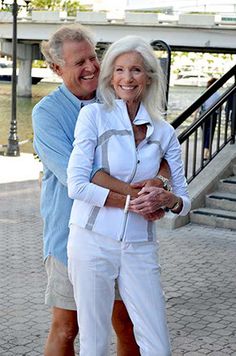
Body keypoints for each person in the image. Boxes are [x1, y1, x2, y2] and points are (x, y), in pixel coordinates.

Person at [32, 24, 171, 356]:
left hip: (125, 236)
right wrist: (136, 199)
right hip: (71, 238)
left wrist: (161, 185)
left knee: (127, 325)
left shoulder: (117, 96)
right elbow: (77, 176)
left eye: (93, 57)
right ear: (56, 68)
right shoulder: (47, 114)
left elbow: (161, 151)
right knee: (68, 327)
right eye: (79, 62)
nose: (91, 67)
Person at [67, 35, 191, 355]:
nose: (127, 78)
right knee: (94, 342)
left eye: (135, 70)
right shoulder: (93, 117)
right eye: (119, 70)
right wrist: (133, 202)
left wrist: (167, 199)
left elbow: (184, 200)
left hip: (140, 246)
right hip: (90, 240)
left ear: (148, 77)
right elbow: (77, 185)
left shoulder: (164, 132)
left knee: (157, 343)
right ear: (110, 76)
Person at [198, 78, 220, 160]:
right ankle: (205, 153)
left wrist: (195, 117)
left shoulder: (204, 92)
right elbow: (220, 107)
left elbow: (198, 106)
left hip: (202, 116)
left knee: (205, 134)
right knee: (209, 134)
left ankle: (205, 152)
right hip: (212, 116)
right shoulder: (217, 95)